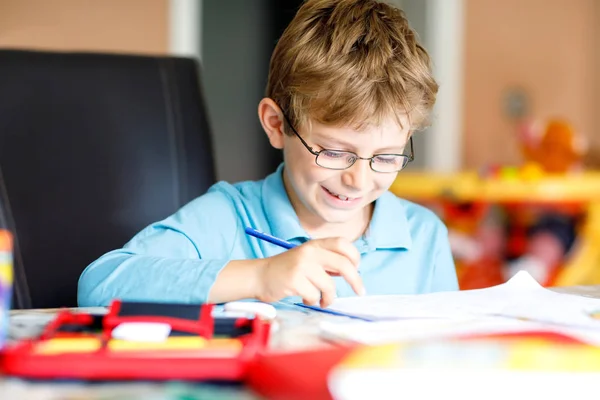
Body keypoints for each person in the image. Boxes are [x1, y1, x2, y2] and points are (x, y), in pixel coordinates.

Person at [78, 0, 458, 308]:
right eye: (334, 152)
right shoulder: (228, 218)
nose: (358, 180)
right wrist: (260, 275)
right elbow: (100, 283)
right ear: (277, 125)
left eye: (386, 157)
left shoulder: (424, 237)